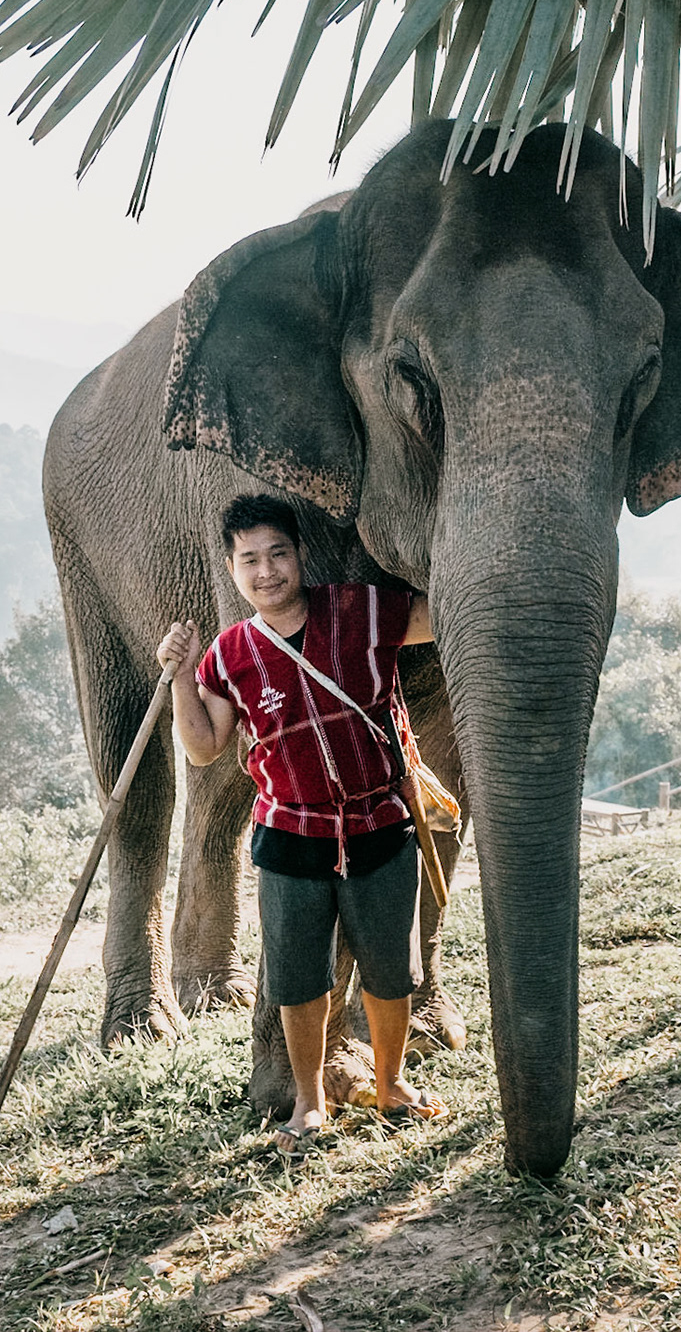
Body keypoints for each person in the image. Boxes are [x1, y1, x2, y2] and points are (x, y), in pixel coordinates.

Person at [156, 493, 445, 1156]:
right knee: (297, 977)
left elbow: (440, 617)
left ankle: (392, 1084)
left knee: (389, 969)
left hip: (379, 818)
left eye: (278, 554)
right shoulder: (230, 654)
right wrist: (178, 677)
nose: (267, 571)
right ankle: (310, 1103)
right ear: (232, 569)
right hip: (290, 834)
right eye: (250, 560)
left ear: (299, 555)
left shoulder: (359, 609)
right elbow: (203, 746)